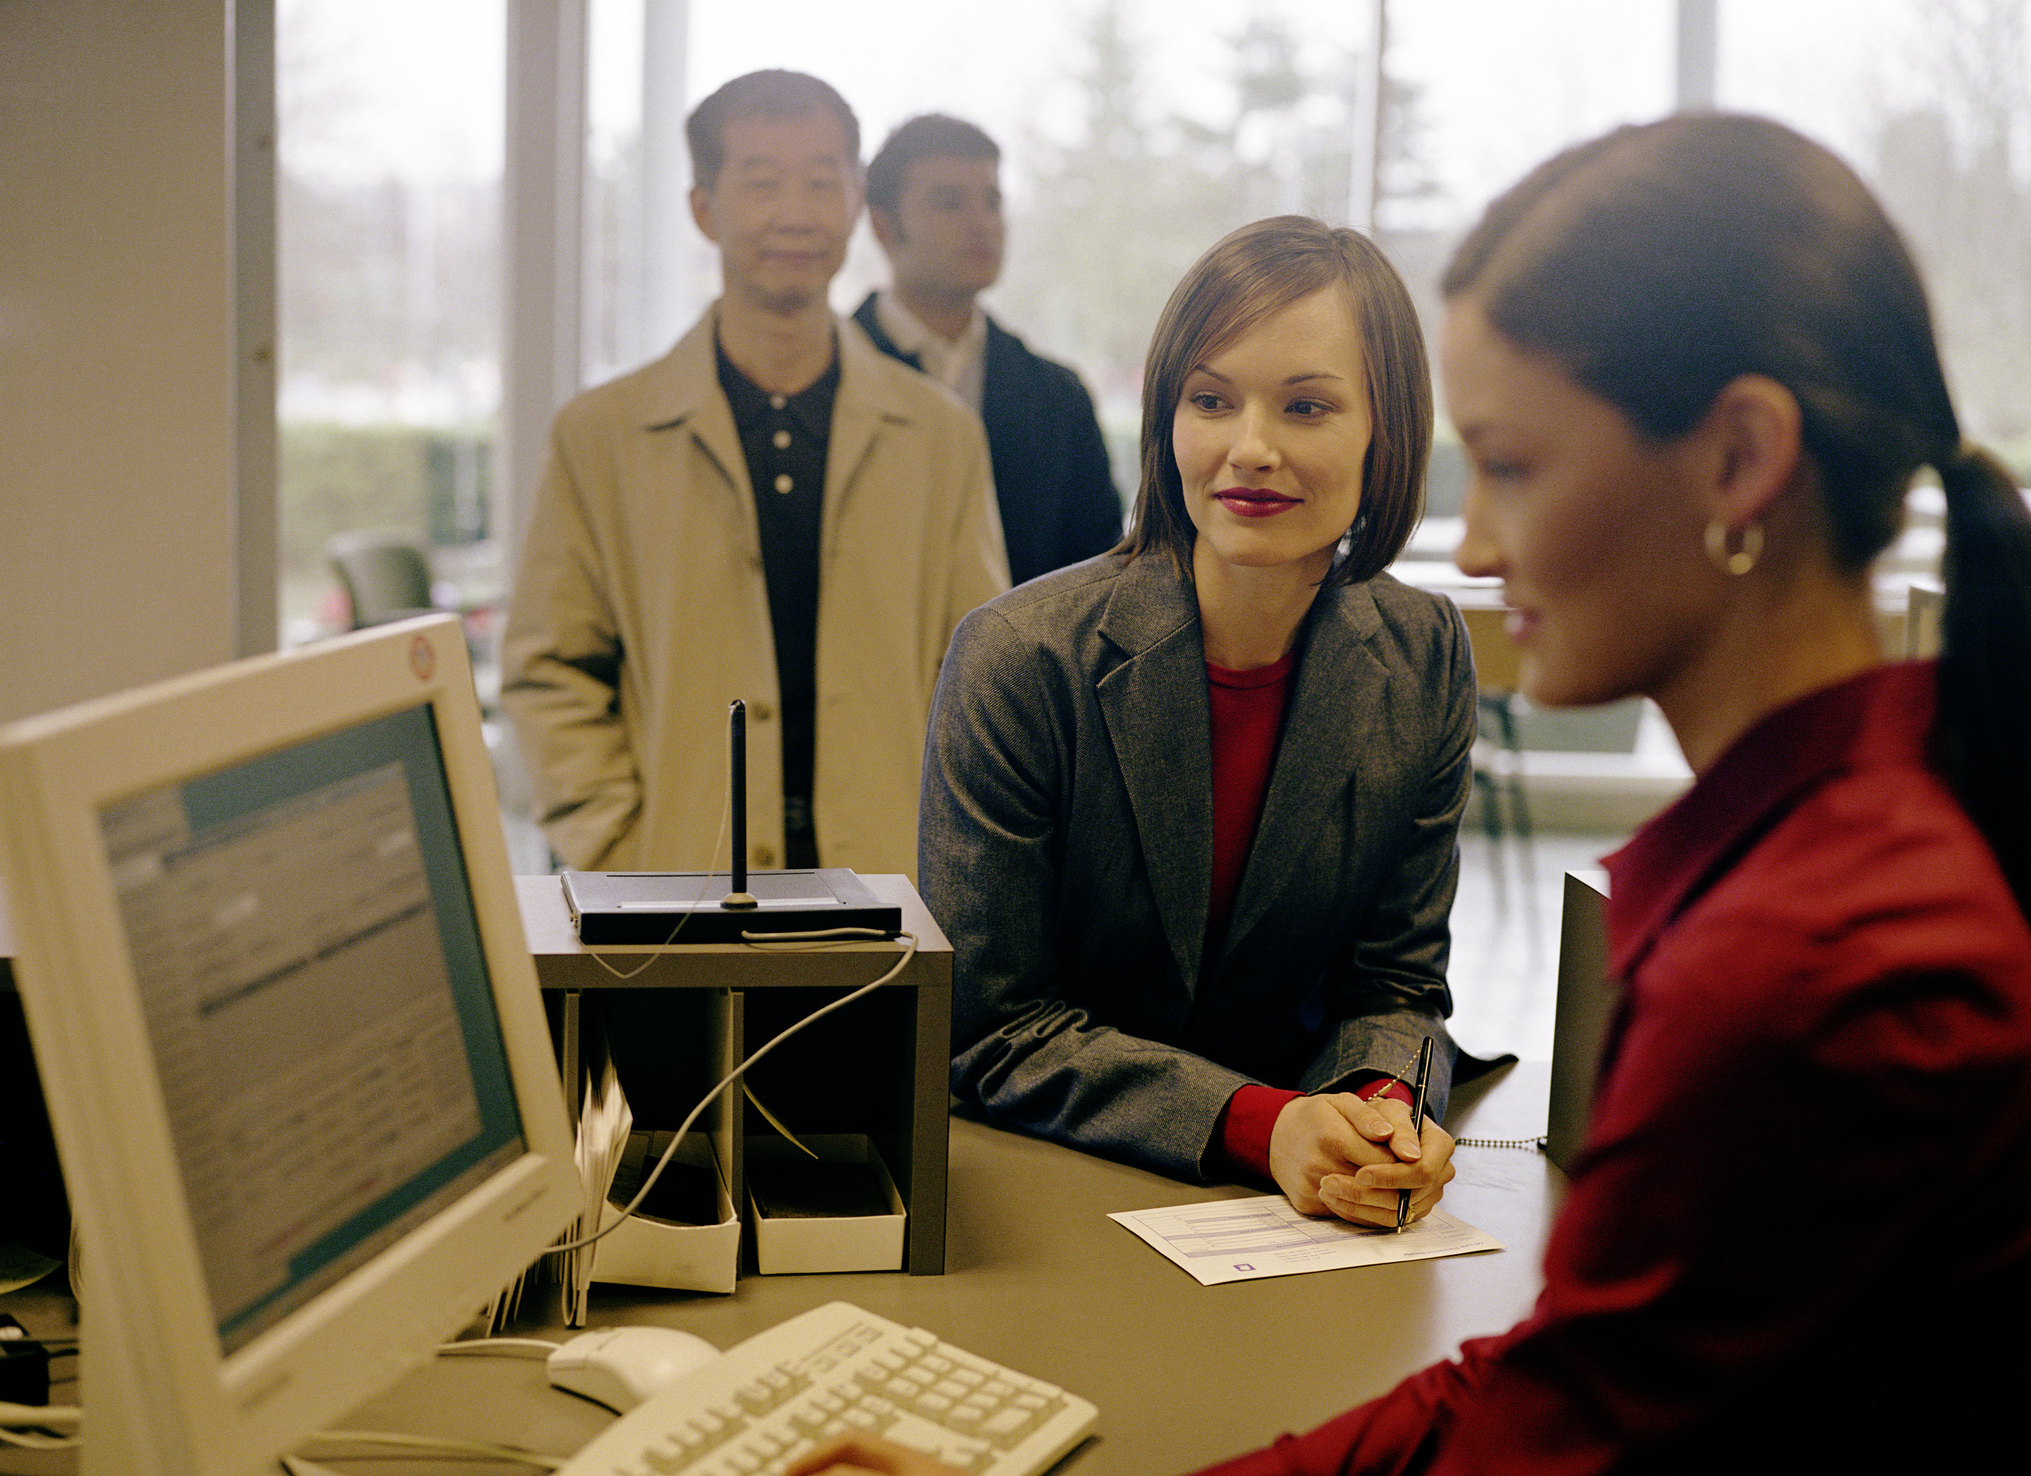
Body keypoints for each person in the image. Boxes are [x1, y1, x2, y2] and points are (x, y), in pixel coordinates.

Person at [791, 112, 2031, 1476]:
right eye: (1209, 399)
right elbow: (1570, 1389)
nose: (1482, 546)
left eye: (1508, 468)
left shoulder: (1813, 956)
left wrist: (1370, 1099)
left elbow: (1550, 1431)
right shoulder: (1823, 872)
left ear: (1736, 462)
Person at [919, 215, 1473, 1228]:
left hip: (1294, 1221)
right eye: (1210, 400)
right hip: (1036, 1193)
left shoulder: (1422, 651)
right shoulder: (1020, 657)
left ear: (1385, 429)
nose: (1249, 449)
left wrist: (1381, 1112)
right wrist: (1265, 1125)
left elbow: (1395, 986)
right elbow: (988, 1030)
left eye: (1306, 406)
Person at [500, 71, 1008, 879]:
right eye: (761, 183)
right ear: (703, 208)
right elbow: (548, 670)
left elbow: (983, 679)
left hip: (889, 889)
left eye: (820, 181)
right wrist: (617, 846)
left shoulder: (940, 435)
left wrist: (953, 854)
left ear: (853, 203)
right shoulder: (601, 435)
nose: (794, 215)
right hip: (673, 892)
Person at [851, 114, 1122, 586]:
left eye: (993, 202)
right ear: (883, 226)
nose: (982, 224)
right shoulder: (826, 373)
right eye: (950, 202)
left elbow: (1097, 577)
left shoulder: (1057, 396)